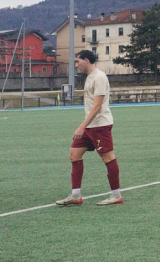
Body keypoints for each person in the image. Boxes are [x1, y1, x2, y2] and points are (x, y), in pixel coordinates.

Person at [55, 50, 123, 206]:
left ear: (86, 60)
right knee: (74, 155)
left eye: (77, 61)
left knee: (108, 157)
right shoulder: (89, 78)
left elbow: (98, 106)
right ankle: (76, 196)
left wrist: (81, 126)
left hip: (100, 125)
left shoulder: (99, 77)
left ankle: (116, 195)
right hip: (90, 126)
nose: (76, 65)